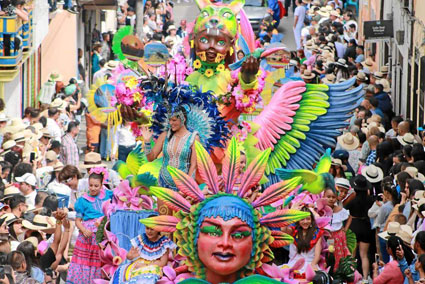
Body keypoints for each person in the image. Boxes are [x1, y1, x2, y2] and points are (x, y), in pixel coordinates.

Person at [66, 168, 113, 283]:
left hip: (101, 236)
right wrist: (83, 229)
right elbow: (78, 220)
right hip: (86, 238)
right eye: (91, 185)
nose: (93, 188)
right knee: (84, 262)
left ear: (102, 185)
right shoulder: (82, 200)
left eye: (96, 186)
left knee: (99, 261)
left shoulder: (108, 196)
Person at [142, 106, 199, 192]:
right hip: (164, 182)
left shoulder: (193, 138)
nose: (170, 123)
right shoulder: (165, 135)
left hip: (183, 185)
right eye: (169, 120)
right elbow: (151, 158)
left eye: (174, 120)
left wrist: (189, 188)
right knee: (162, 206)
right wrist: (147, 142)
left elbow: (193, 165)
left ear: (183, 119)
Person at [115, 216, 176, 283]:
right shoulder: (141, 239)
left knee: (150, 273)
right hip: (138, 263)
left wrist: (145, 265)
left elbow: (162, 263)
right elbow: (129, 256)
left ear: (158, 229)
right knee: (122, 270)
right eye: (147, 228)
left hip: (155, 265)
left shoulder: (164, 242)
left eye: (152, 229)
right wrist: (132, 255)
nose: (149, 231)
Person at [346, 175, 374, 281]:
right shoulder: (370, 200)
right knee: (364, 255)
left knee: (352, 255)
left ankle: (352, 277)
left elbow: (344, 209)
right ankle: (366, 278)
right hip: (366, 226)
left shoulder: (352, 200)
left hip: (354, 225)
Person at [285, 206, 324, 273]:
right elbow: (283, 229)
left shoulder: (317, 233)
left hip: (311, 264)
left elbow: (317, 254)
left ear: (312, 220)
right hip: (294, 264)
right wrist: (288, 214)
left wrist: (312, 266)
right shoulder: (293, 231)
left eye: (308, 219)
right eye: (302, 219)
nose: (305, 222)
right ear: (298, 221)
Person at [324, 187, 351, 270]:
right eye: (328, 197)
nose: (331, 199)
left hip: (337, 237)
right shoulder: (320, 209)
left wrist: (345, 229)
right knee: (325, 257)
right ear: (324, 196)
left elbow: (349, 217)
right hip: (325, 237)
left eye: (333, 197)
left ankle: (337, 273)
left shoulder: (340, 210)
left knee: (338, 256)